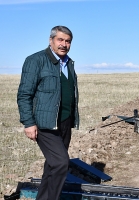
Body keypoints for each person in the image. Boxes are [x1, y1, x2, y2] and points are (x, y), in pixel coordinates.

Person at [17, 25, 79, 200]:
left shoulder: (69, 63)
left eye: (67, 41)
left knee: (52, 167)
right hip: (45, 123)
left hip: (65, 121)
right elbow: (24, 94)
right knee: (61, 163)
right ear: (50, 40)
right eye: (60, 40)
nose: (64, 44)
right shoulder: (36, 60)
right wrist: (28, 122)